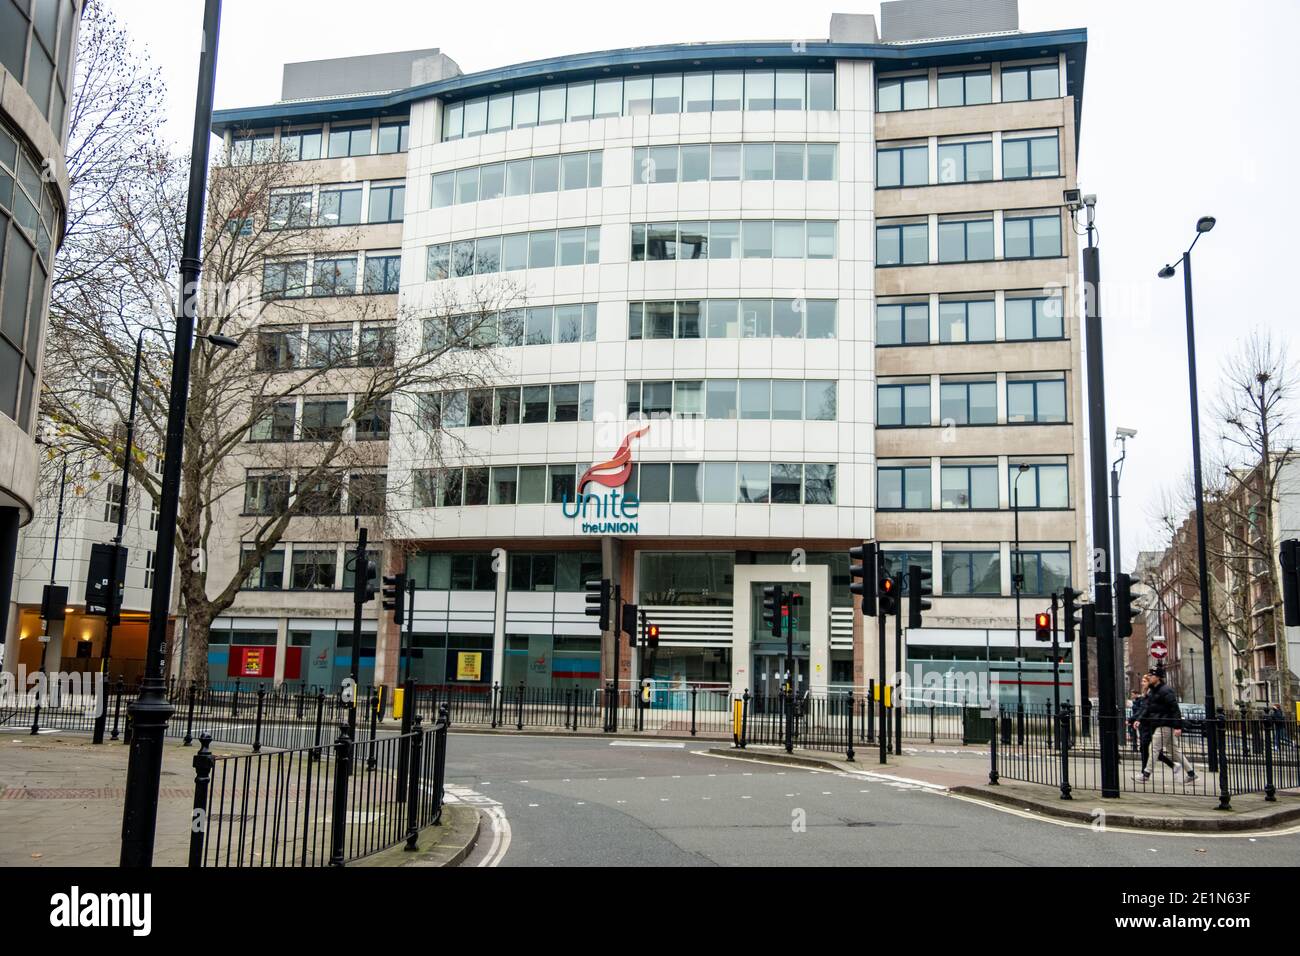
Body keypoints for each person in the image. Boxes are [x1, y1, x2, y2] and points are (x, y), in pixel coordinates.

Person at [1133, 668, 1196, 783]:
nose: (1150, 677)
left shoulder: (1166, 690)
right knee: (1174, 751)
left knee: (1154, 748)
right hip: (1160, 723)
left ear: (1158, 678)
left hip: (1164, 723)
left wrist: (1177, 727)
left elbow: (1175, 709)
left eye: (1152, 676)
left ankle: (1145, 775)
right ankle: (1191, 773)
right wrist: (1139, 719)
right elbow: (1147, 707)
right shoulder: (1153, 691)